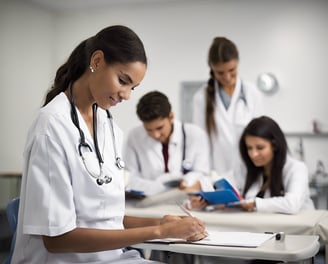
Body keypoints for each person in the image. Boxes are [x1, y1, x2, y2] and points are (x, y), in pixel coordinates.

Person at [12, 25, 207, 264]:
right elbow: (57, 240)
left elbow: (107, 219)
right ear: (97, 60)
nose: (127, 95)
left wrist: (161, 222)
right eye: (123, 81)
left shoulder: (109, 126)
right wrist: (159, 232)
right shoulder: (52, 126)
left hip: (111, 258)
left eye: (132, 87)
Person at [189, 116, 315, 215]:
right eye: (249, 148)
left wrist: (254, 203)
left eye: (260, 148)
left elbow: (292, 204)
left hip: (300, 234)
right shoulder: (246, 169)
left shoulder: (296, 168)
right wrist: (203, 200)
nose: (253, 154)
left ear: (275, 145)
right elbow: (223, 184)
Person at [192, 37, 263, 185]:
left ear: (237, 63)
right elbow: (200, 142)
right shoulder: (201, 98)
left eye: (232, 70)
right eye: (220, 73)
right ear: (212, 69)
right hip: (216, 174)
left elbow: (261, 135)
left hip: (249, 172)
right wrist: (203, 179)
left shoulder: (252, 93)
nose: (227, 77)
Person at [124, 90, 210, 196]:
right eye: (149, 130)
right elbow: (129, 177)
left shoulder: (195, 134)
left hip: (186, 199)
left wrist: (187, 181)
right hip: (148, 202)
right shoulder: (134, 136)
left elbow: (202, 172)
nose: (156, 135)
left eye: (160, 128)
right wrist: (157, 187)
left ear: (171, 117)